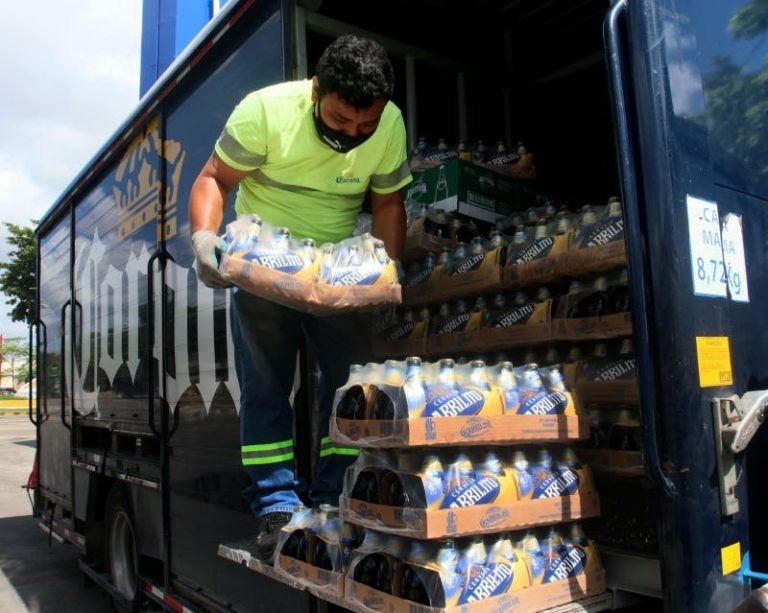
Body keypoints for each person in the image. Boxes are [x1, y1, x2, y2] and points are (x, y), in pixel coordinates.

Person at [188, 34, 411, 562]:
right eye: (339, 122)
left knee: (347, 388)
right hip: (266, 264)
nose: (352, 135)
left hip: (338, 270)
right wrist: (203, 239)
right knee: (267, 385)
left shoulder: (392, 123)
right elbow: (214, 179)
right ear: (316, 91)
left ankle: (334, 498)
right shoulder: (265, 111)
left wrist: (386, 269)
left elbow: (387, 203)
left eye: (365, 126)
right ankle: (276, 504)